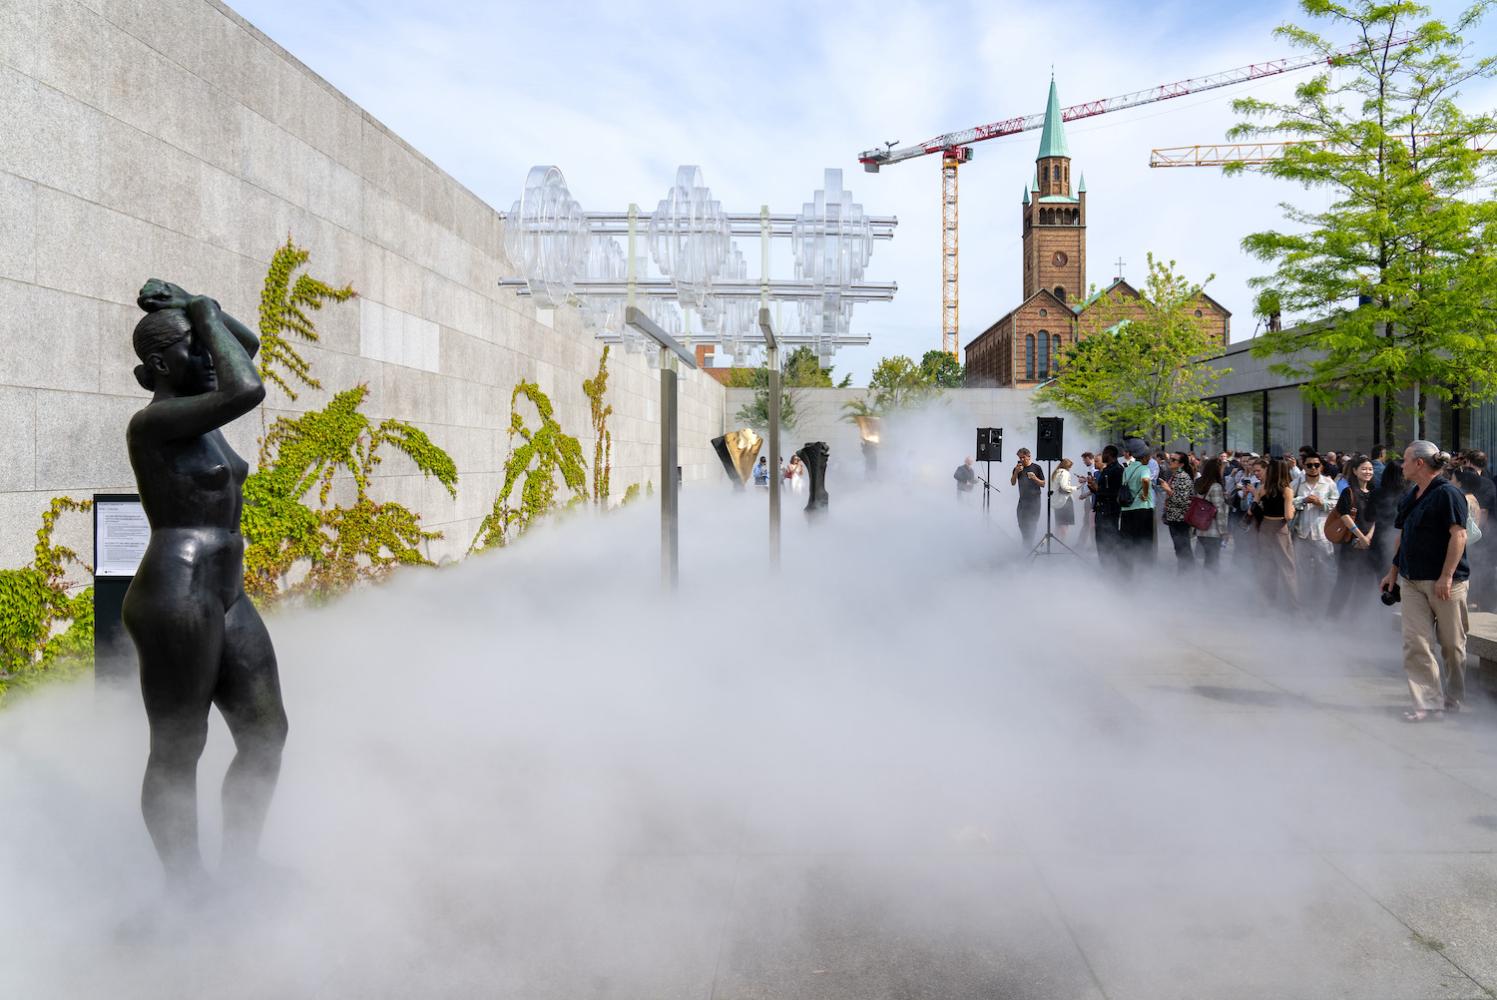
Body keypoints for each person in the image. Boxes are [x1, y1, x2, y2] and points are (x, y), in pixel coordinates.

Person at [122, 279, 286, 892]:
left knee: (266, 732)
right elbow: (248, 383)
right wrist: (201, 311)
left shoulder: (202, 418)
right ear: (163, 365)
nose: (215, 359)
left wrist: (195, 302)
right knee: (180, 745)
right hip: (176, 593)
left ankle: (242, 868)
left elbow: (250, 347)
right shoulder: (155, 423)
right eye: (201, 347)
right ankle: (186, 892)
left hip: (225, 590)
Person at [1380, 441, 1471, 722]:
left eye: (1405, 460)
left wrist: (1446, 576)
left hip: (1446, 582)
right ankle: (1428, 703)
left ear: (1420, 463)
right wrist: (1392, 572)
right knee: (1415, 643)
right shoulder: (1411, 495)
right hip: (1412, 580)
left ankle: (1453, 696)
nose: (1401, 465)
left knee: (1453, 646)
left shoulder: (1449, 494)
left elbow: (1459, 536)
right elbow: (1403, 536)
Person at [1326, 455, 1379, 619]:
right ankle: (1332, 618)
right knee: (1345, 583)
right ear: (1355, 471)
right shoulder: (1348, 492)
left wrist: (1368, 537)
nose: (1368, 472)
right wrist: (1360, 536)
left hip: (1369, 546)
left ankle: (1355, 619)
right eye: (1364, 469)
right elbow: (1344, 515)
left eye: (1370, 469)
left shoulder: (1374, 493)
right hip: (1351, 544)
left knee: (1365, 584)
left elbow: (1377, 518)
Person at [1292, 453, 1340, 596]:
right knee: (1302, 570)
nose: (1313, 468)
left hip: (1322, 533)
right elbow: (1288, 500)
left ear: (1321, 466)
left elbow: (1337, 503)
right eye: (1309, 465)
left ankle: (1326, 598)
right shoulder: (1297, 483)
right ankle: (1304, 598)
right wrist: (1303, 500)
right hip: (1301, 532)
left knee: (1326, 569)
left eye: (1316, 465)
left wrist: (1322, 503)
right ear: (1303, 466)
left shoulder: (1329, 483)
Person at [1257, 457, 1299, 607]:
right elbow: (1288, 516)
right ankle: (1293, 607)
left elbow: (1256, 507)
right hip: (1280, 528)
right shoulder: (1287, 490)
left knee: (1267, 567)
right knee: (1288, 569)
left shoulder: (1263, 488)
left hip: (1264, 527)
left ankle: (1266, 604)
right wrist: (1293, 509)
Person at [1118, 438, 1154, 574]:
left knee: (1127, 541)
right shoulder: (1144, 468)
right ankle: (1144, 571)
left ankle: (1126, 570)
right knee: (1143, 541)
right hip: (1142, 509)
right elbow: (1145, 480)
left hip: (1127, 509)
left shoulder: (1128, 469)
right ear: (1144, 457)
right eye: (1149, 457)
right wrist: (1145, 494)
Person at [1158, 451, 1196, 572]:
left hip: (1180, 519)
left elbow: (1183, 501)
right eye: (1171, 459)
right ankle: (1184, 574)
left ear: (1181, 464)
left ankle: (1187, 575)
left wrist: (1168, 490)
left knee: (1183, 549)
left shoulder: (1182, 477)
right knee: (1180, 549)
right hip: (1174, 518)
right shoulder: (1176, 476)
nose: (1170, 461)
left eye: (1174, 460)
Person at [1089, 444, 1124, 566]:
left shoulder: (1117, 470)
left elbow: (1115, 492)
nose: (1102, 456)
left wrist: (1097, 489)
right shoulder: (1107, 469)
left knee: (1109, 540)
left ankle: (1112, 567)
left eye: (1104, 453)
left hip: (1110, 511)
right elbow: (1102, 490)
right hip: (1101, 510)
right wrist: (1094, 488)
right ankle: (1105, 566)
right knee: (1100, 541)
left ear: (1109, 455)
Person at [1193, 457, 1230, 571]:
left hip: (1201, 529)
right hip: (1213, 530)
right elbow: (1219, 511)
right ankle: (1211, 586)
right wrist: (1224, 531)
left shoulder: (1200, 484)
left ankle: (1207, 585)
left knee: (1208, 560)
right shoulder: (1216, 487)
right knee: (1213, 561)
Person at [1010, 447, 1045, 547]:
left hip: (1034, 501)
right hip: (1022, 501)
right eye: (1019, 458)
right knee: (1021, 523)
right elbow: (1012, 483)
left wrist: (1034, 478)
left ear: (1029, 456)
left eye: (1023, 457)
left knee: (1032, 524)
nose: (1021, 460)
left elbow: (1043, 484)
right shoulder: (1017, 468)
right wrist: (1016, 472)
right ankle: (1026, 543)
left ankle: (1028, 545)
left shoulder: (1037, 468)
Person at [1050, 458, 1078, 542]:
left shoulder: (1056, 472)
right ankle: (1062, 543)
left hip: (1057, 501)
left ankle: (1056, 543)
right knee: (1064, 524)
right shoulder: (1065, 473)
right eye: (1070, 467)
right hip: (1065, 501)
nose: (1070, 468)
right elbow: (1064, 487)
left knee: (1058, 524)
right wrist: (1076, 487)